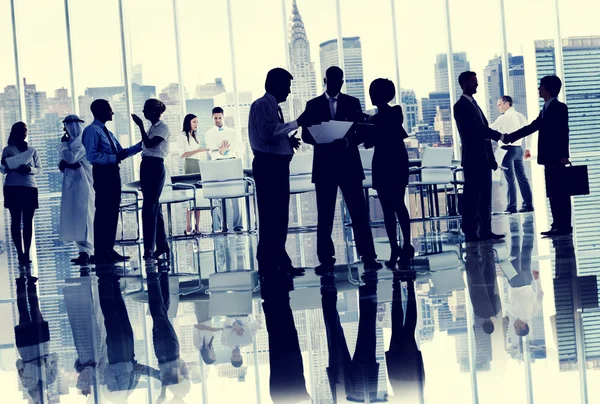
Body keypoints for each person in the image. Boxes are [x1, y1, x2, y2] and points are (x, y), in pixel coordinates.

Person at [301, 66, 382, 272]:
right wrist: (321, 138)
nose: (335, 84)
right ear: (325, 80)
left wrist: (347, 141)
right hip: (325, 165)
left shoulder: (352, 103)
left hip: (348, 164)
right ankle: (326, 259)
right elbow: (305, 135)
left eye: (339, 81)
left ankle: (368, 256)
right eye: (332, 80)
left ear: (342, 82)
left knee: (358, 212)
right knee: (325, 215)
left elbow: (361, 132)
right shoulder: (313, 105)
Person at [248, 67, 307, 277]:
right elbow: (267, 132)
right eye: (287, 86)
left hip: (274, 165)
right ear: (277, 85)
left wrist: (286, 140)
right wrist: (297, 123)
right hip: (270, 166)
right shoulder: (264, 105)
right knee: (273, 215)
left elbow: (270, 133)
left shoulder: (269, 106)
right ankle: (271, 263)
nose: (289, 91)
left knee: (276, 216)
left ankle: (276, 261)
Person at [504, 75, 571, 236]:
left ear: (547, 89)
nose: (538, 89)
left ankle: (564, 226)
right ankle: (557, 224)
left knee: (560, 193)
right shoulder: (546, 108)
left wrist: (564, 155)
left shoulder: (559, 107)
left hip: (556, 157)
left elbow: (564, 132)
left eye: (541, 86)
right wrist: (511, 136)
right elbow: (532, 126)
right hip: (549, 158)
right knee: (553, 192)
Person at [83, 99, 142, 264]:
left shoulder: (106, 131)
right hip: (103, 174)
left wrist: (141, 145)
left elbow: (120, 152)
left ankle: (108, 249)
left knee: (112, 212)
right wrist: (113, 158)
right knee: (103, 212)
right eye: (109, 109)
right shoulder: (92, 131)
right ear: (100, 111)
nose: (112, 113)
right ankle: (101, 251)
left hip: (113, 173)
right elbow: (91, 156)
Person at [365, 78, 413, 268]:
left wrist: (368, 123)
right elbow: (370, 141)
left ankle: (401, 246)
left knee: (393, 205)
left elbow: (370, 140)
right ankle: (400, 246)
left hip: (387, 162)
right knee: (393, 205)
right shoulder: (379, 118)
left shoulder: (393, 112)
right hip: (393, 161)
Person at [453, 71, 504, 242]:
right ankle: (470, 231)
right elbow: (476, 130)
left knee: (485, 195)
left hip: (483, 157)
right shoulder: (460, 106)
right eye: (473, 81)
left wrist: (491, 157)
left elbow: (483, 135)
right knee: (472, 196)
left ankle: (485, 230)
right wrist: (500, 136)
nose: (477, 84)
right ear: (465, 83)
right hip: (473, 158)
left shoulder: (474, 104)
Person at [131, 99, 171, 261]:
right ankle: (162, 246)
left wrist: (139, 126)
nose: (143, 112)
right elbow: (143, 145)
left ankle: (149, 249)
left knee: (148, 208)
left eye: (146, 109)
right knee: (155, 208)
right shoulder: (152, 128)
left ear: (154, 112)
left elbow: (149, 144)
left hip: (155, 167)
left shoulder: (162, 128)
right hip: (147, 166)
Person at [1, 122, 42, 266]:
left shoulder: (32, 150)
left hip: (29, 187)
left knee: (28, 221)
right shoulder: (8, 150)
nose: (24, 132)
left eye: (25, 130)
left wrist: (29, 169)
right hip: (12, 187)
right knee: (15, 221)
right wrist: (5, 165)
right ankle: (20, 253)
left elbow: (39, 169)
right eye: (22, 130)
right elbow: (3, 170)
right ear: (15, 132)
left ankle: (27, 252)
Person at [14, 275, 58, 403]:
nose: (44, 398)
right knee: (35, 310)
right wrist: (45, 360)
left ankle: (21, 284)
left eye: (40, 402)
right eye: (46, 400)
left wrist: (32, 364)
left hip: (26, 347)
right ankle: (32, 284)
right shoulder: (50, 379)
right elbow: (55, 357)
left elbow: (18, 363)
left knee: (23, 312)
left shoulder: (27, 384)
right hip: (42, 344)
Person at [58, 115, 95, 266]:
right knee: (75, 216)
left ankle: (88, 251)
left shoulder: (82, 142)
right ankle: (82, 252)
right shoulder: (70, 143)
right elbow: (62, 164)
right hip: (71, 185)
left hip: (84, 185)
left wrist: (64, 149)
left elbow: (71, 158)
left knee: (85, 216)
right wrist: (66, 163)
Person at [490, 96, 534, 214]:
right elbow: (529, 132)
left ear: (507, 104)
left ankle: (512, 206)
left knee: (510, 179)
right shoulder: (521, 116)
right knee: (522, 178)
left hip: (507, 151)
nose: (498, 107)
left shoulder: (504, 117)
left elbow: (490, 129)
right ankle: (529, 204)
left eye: (500, 104)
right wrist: (528, 148)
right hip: (519, 149)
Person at [205, 106, 244, 232]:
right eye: (215, 118)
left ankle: (238, 225)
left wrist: (232, 152)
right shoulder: (209, 134)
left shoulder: (232, 131)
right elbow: (211, 152)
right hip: (218, 163)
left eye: (219, 118)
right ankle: (222, 225)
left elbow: (241, 146)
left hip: (232, 162)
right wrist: (221, 152)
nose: (217, 120)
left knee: (236, 194)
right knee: (218, 195)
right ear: (212, 118)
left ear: (223, 117)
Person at [178, 113, 208, 234]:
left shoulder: (196, 137)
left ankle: (197, 227)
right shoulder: (182, 136)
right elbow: (183, 154)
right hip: (190, 165)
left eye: (197, 122)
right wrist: (199, 150)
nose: (196, 124)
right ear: (188, 122)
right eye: (194, 122)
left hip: (199, 165)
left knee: (199, 197)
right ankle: (188, 227)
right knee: (190, 197)